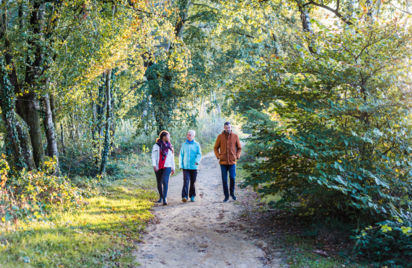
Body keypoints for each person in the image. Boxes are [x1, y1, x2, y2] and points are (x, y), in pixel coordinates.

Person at [214, 122, 242, 202]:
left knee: (232, 178)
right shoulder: (220, 137)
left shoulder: (235, 136)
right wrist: (218, 156)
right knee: (224, 180)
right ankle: (226, 196)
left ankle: (232, 194)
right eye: (226, 127)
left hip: (232, 162)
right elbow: (215, 148)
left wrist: (237, 156)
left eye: (229, 127)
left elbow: (239, 148)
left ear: (231, 127)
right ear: (224, 128)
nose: (228, 129)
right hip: (223, 162)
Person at [152, 130, 175, 205]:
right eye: (168, 136)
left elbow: (172, 158)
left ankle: (165, 198)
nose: (169, 137)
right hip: (158, 166)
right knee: (159, 182)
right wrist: (154, 165)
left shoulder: (170, 146)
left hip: (167, 166)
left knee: (165, 181)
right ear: (164, 137)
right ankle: (161, 197)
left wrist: (173, 167)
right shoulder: (156, 146)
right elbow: (153, 156)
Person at [179, 130, 202, 203]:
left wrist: (197, 161)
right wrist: (181, 165)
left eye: (189, 135)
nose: (188, 136)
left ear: (193, 136)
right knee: (186, 181)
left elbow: (199, 154)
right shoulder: (184, 145)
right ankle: (184, 196)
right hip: (186, 167)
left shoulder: (196, 145)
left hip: (194, 167)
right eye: (187, 134)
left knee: (192, 182)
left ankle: (192, 196)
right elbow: (181, 155)